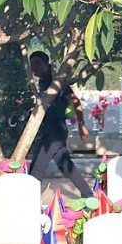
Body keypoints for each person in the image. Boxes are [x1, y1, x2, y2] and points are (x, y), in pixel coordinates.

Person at [29, 51, 92, 197]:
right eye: (32, 65)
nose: (34, 68)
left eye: (38, 64)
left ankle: (28, 199)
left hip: (55, 132)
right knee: (66, 166)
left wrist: (81, 125)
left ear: (47, 64)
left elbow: (75, 101)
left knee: (37, 167)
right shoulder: (42, 81)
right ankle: (88, 195)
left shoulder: (56, 82)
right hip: (48, 130)